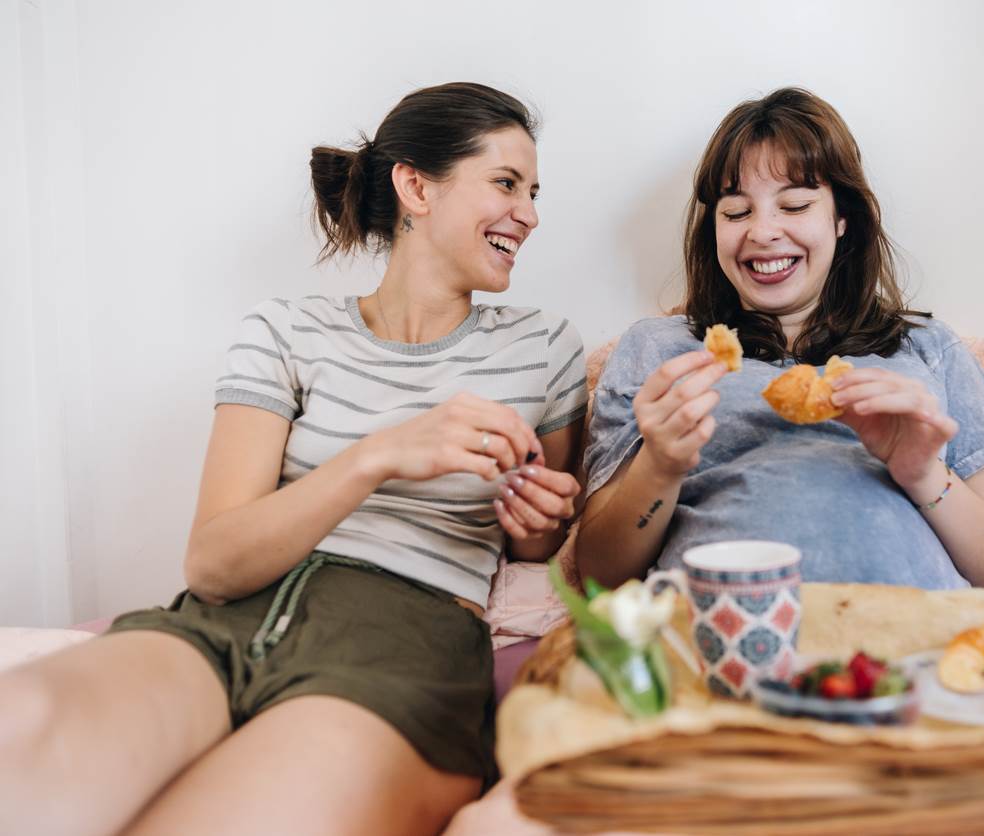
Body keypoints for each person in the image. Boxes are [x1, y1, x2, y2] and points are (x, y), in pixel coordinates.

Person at [0, 82, 586, 836]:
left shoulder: (542, 346)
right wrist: (380, 455)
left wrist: (543, 518)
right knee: (21, 727)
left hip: (402, 647)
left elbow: (535, 542)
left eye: (534, 192)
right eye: (507, 184)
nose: (530, 214)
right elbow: (213, 564)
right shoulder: (286, 331)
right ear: (415, 187)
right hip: (221, 626)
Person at [575, 87, 984, 593]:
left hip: (908, 639)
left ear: (842, 219)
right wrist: (659, 466)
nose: (763, 231)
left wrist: (923, 472)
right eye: (735, 213)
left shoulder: (927, 346)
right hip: (715, 638)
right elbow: (600, 572)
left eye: (794, 205)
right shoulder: (661, 349)